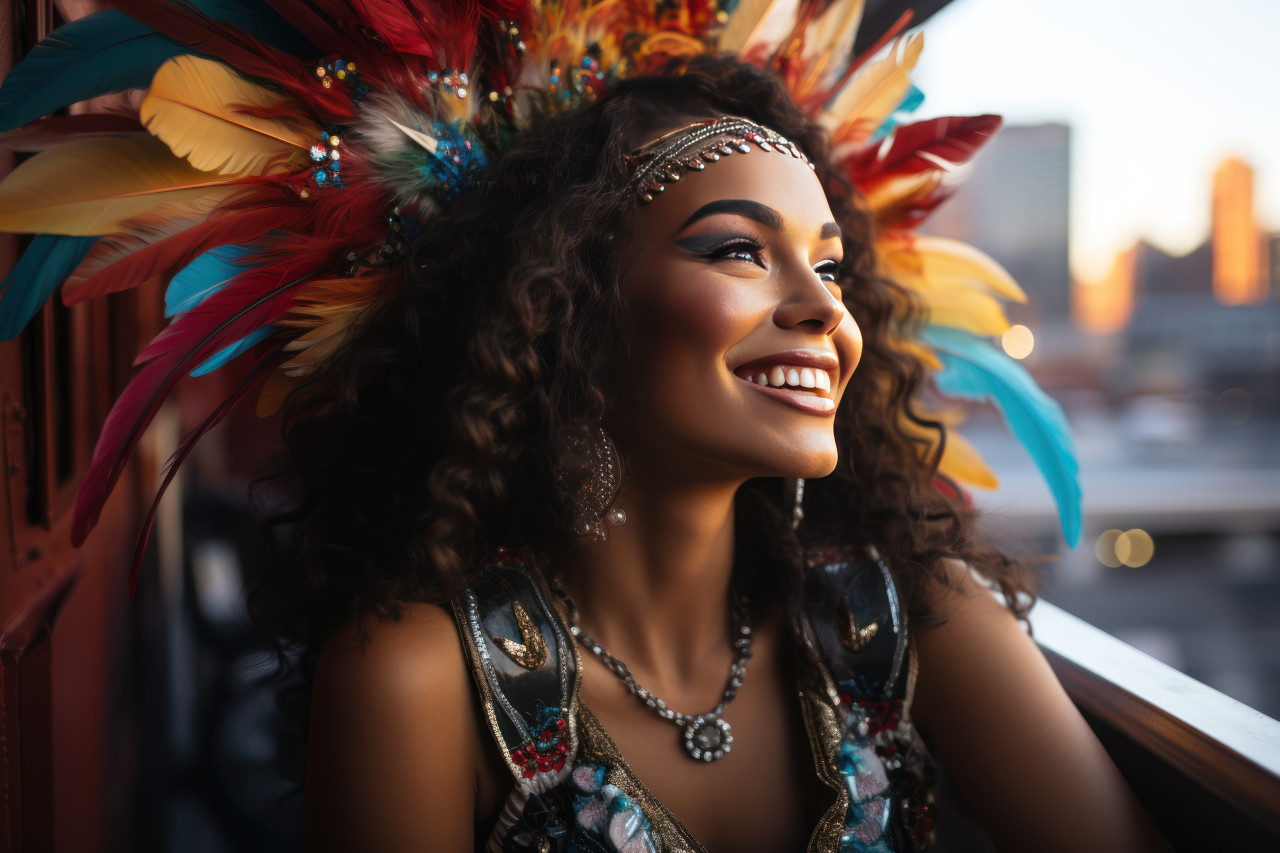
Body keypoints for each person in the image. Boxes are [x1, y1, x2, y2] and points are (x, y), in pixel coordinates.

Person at [0, 2, 1171, 851]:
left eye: (827, 264)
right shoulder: (417, 675)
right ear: (565, 308)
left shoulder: (914, 619)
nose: (824, 311)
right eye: (736, 252)